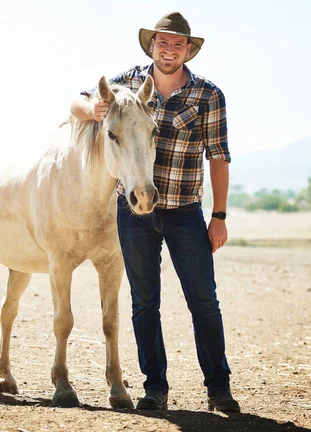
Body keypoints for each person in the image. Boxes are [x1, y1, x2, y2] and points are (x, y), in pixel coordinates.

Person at [70, 12, 240, 412]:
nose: (169, 49)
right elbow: (75, 102)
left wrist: (220, 216)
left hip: (184, 211)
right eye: (163, 42)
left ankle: (219, 388)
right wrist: (94, 109)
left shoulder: (208, 96)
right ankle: (155, 389)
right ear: (152, 46)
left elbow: (218, 157)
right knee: (145, 303)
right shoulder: (123, 84)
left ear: (188, 50)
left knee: (203, 301)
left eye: (177, 44)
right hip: (133, 214)